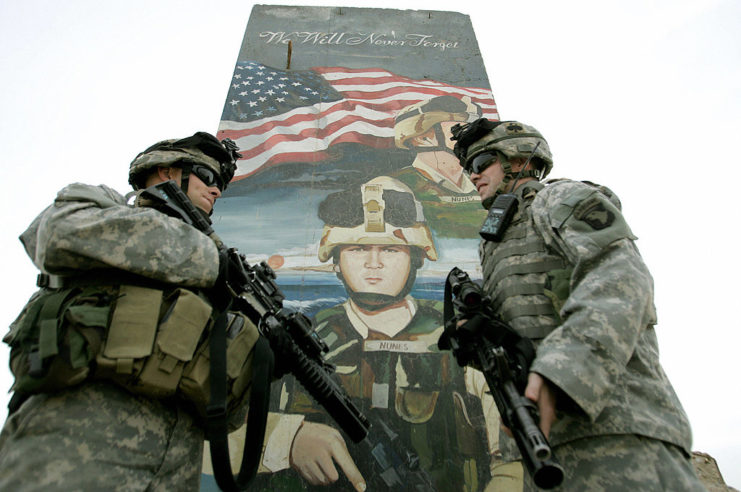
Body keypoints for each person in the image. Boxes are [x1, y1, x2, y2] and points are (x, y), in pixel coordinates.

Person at [450, 118, 706, 491]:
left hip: (616, 434)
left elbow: (619, 281)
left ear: (518, 159)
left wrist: (561, 371)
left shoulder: (560, 198)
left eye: (480, 163)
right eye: (468, 168)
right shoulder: (494, 241)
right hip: (543, 446)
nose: (472, 176)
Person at [0, 132, 259, 491]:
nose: (216, 191)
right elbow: (55, 235)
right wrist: (210, 260)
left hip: (175, 461)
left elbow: (225, 416)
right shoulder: (109, 206)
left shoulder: (220, 278)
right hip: (79, 436)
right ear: (168, 172)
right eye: (209, 176)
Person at [256, 176, 496, 492]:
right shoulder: (299, 338)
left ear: (416, 258)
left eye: (391, 249)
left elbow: (509, 449)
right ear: (336, 260)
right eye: (357, 249)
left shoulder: (458, 334)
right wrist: (287, 439)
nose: (374, 264)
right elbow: (222, 424)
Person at [392, 95, 487, 238]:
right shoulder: (395, 185)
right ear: (423, 139)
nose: (471, 137)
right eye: (459, 129)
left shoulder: (482, 182)